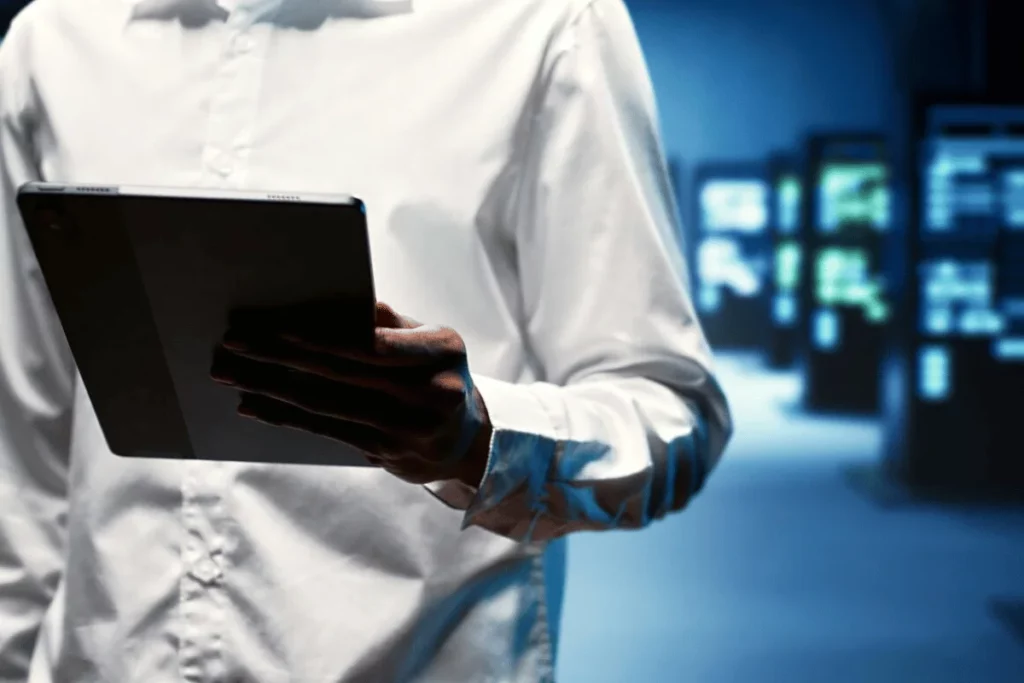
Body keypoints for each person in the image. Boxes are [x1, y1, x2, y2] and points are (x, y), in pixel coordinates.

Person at [0, 0, 732, 680]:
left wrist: (480, 440)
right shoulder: (54, 41)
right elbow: (21, 446)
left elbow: (670, 409)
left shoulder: (546, 24)